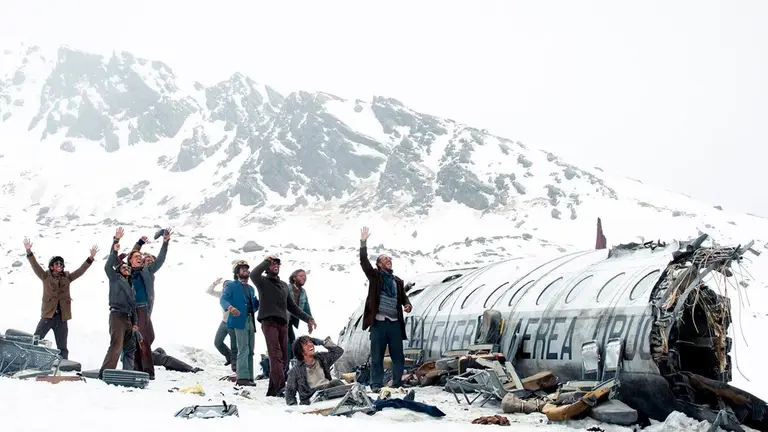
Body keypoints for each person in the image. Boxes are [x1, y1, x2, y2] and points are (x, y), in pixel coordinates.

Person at [249, 256, 317, 397]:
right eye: (273, 264)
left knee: (284, 357)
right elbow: (253, 274)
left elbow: (292, 307)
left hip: (282, 323)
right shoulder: (262, 281)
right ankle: (281, 387)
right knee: (276, 355)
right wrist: (267, 261)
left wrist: (308, 318)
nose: (276, 265)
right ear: (267, 267)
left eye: (278, 264)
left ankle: (274, 390)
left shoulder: (283, 286)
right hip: (269, 322)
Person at [22, 237, 99, 360]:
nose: (60, 265)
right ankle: (27, 360)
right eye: (57, 263)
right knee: (36, 339)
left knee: (62, 346)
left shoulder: (67, 277)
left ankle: (63, 366)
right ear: (51, 267)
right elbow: (35, 265)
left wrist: (90, 258)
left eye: (61, 264)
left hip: (62, 317)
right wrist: (29, 252)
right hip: (48, 315)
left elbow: (80, 271)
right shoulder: (45, 276)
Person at [358, 226, 412, 391]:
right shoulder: (375, 277)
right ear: (379, 264)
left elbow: (402, 297)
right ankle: (376, 384)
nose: (389, 260)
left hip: (394, 323)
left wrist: (407, 304)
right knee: (377, 356)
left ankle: (396, 383)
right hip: (379, 323)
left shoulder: (397, 281)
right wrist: (363, 243)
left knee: (398, 355)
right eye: (385, 259)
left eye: (390, 258)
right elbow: (364, 262)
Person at [124, 229, 170, 379]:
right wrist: (139, 243)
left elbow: (161, 259)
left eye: (141, 256)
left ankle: (148, 372)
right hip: (131, 309)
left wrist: (165, 242)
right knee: (136, 340)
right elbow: (132, 254)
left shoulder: (147, 271)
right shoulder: (128, 271)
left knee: (145, 339)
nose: (140, 257)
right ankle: (138, 369)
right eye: (137, 257)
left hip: (143, 309)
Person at [98, 229, 138, 379]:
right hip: (117, 316)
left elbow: (133, 306)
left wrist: (135, 323)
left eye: (128, 267)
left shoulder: (131, 285)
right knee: (116, 346)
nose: (127, 268)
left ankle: (128, 374)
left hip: (128, 318)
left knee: (130, 348)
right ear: (119, 271)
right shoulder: (115, 279)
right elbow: (108, 265)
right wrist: (115, 242)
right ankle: (105, 374)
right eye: (124, 267)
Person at [220, 260, 260, 386]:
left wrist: (260, 302)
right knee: (243, 348)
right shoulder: (231, 285)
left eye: (246, 269)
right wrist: (231, 308)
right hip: (238, 321)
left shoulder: (251, 288)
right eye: (242, 269)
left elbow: (254, 306)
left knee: (251, 349)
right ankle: (242, 378)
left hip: (250, 320)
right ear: (237, 272)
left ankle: (249, 377)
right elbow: (223, 299)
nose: (245, 271)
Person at [285, 336, 345, 405]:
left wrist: (323, 342)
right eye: (305, 344)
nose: (310, 345)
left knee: (338, 384)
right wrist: (295, 408)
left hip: (328, 393)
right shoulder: (295, 371)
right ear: (300, 350)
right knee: (335, 382)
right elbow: (290, 392)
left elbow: (338, 351)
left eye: (311, 342)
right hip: (312, 401)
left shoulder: (322, 358)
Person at [206, 277, 237, 371]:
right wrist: (215, 283)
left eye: (228, 285)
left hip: (233, 323)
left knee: (234, 345)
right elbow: (209, 291)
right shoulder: (221, 294)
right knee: (217, 342)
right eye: (224, 285)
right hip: (224, 322)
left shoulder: (235, 295)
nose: (226, 287)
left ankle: (235, 365)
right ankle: (229, 357)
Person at [286, 269, 312, 377]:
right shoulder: (287, 288)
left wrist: (309, 320)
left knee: (293, 345)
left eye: (304, 276)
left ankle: (293, 370)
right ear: (294, 278)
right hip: (283, 320)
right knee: (286, 345)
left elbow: (306, 307)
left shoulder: (303, 292)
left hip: (291, 322)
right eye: (301, 276)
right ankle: (285, 371)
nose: (303, 278)